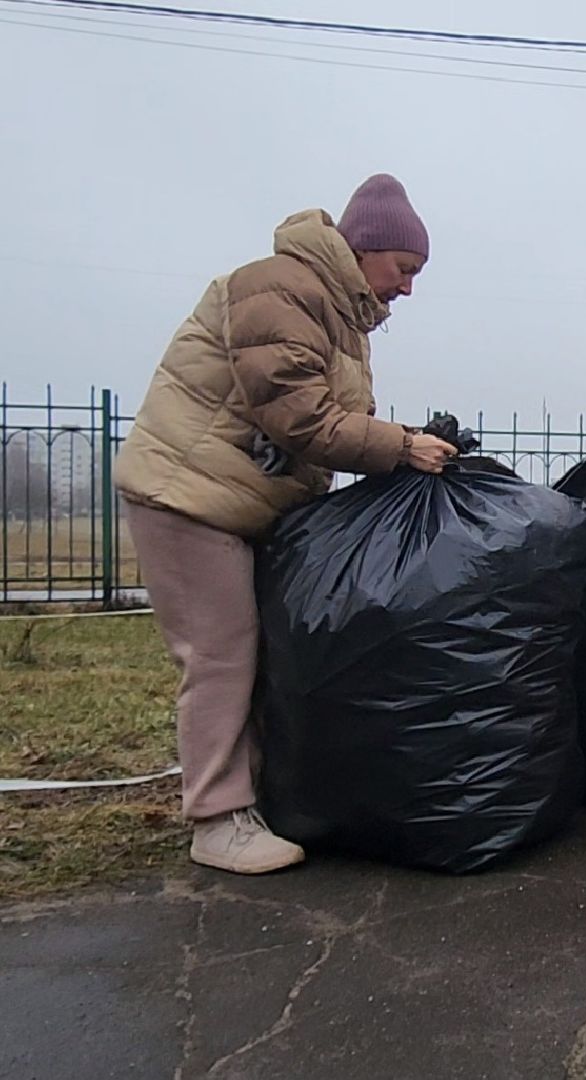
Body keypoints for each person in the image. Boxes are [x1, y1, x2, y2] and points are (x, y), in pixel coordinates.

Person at [115, 174, 457, 874]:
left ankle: (257, 797)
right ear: (366, 249)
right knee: (221, 653)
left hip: (241, 501)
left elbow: (329, 419)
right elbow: (298, 414)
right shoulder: (278, 288)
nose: (409, 289)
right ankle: (216, 820)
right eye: (406, 269)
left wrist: (404, 439)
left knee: (265, 652)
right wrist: (398, 445)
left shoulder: (337, 313)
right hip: (188, 495)